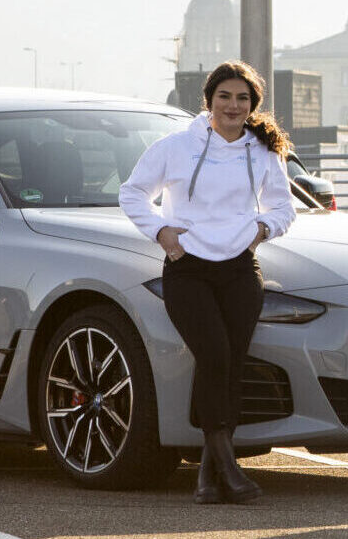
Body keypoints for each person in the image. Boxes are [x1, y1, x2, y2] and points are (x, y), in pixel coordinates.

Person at [118, 60, 298, 504]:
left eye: (242, 98)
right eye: (225, 97)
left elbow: (283, 208)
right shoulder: (176, 147)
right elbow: (132, 192)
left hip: (240, 270)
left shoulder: (263, 151)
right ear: (209, 100)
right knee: (215, 355)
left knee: (231, 363)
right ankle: (228, 467)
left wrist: (261, 231)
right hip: (188, 269)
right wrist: (161, 231)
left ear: (252, 104)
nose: (233, 105)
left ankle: (206, 474)